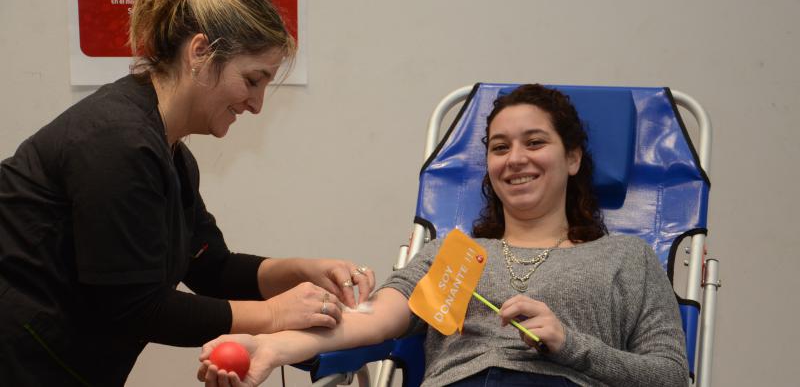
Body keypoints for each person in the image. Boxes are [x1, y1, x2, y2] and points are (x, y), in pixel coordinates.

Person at [0, 0, 375, 385]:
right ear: (200, 52)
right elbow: (134, 308)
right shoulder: (117, 143)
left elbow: (211, 268)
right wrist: (273, 314)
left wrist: (301, 270)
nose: (257, 105)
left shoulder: (171, 154)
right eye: (252, 80)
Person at [198, 84, 691, 387]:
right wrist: (272, 346)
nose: (515, 158)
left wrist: (571, 344)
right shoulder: (455, 255)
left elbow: (669, 377)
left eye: (535, 142)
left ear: (573, 158)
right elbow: (373, 320)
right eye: (500, 147)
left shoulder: (628, 258)